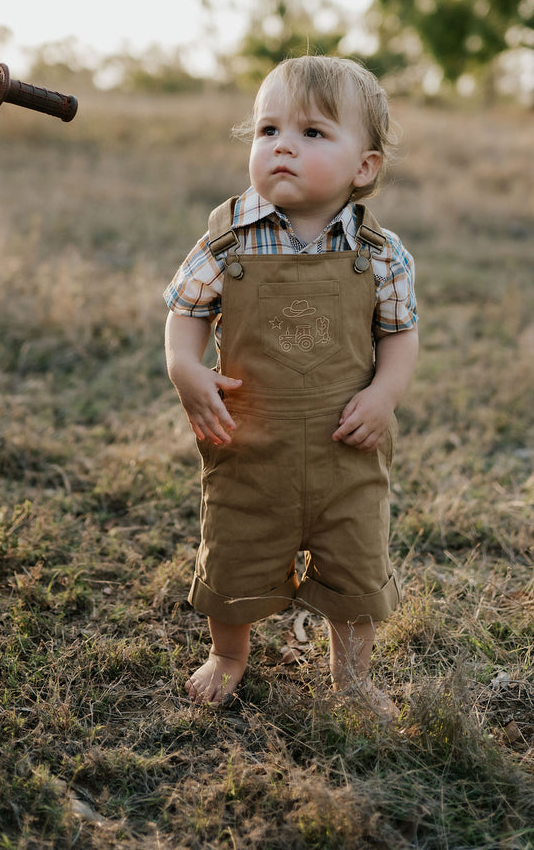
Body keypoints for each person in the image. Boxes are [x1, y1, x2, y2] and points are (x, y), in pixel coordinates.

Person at [163, 55, 418, 715]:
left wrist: (383, 395)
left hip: (345, 446)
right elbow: (186, 312)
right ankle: (228, 653)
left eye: (311, 133)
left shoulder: (382, 254)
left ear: (362, 167)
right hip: (249, 441)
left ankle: (353, 677)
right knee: (236, 548)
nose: (281, 144)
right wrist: (185, 368)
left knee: (354, 561)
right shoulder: (226, 242)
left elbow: (399, 334)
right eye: (267, 129)